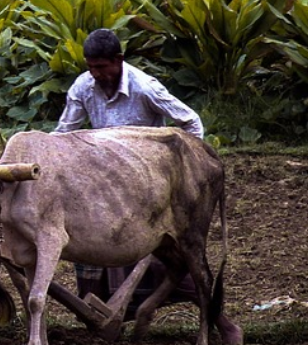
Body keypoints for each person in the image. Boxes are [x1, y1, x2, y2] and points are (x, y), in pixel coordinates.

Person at [53, 28, 204, 305]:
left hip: (146, 178)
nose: (96, 74)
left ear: (118, 60)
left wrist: (188, 169)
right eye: (90, 67)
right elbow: (64, 133)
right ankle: (95, 310)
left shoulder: (145, 87)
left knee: (159, 247)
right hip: (104, 176)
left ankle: (210, 311)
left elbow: (191, 122)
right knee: (87, 237)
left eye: (101, 67)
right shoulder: (83, 87)